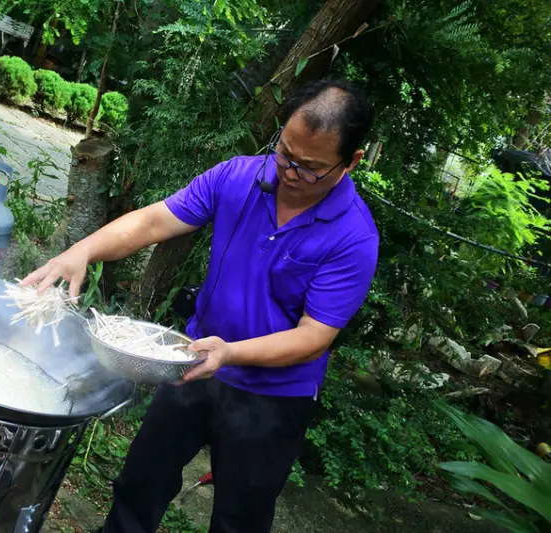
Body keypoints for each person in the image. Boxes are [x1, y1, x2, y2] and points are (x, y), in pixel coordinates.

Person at [23, 79, 380, 533]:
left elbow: (314, 337)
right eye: (285, 152)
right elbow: (154, 221)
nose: (290, 172)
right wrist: (82, 251)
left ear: (351, 161)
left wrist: (229, 353)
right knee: (140, 485)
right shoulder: (239, 177)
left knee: (240, 520)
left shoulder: (354, 237)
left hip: (274, 397)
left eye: (310, 168)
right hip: (190, 363)